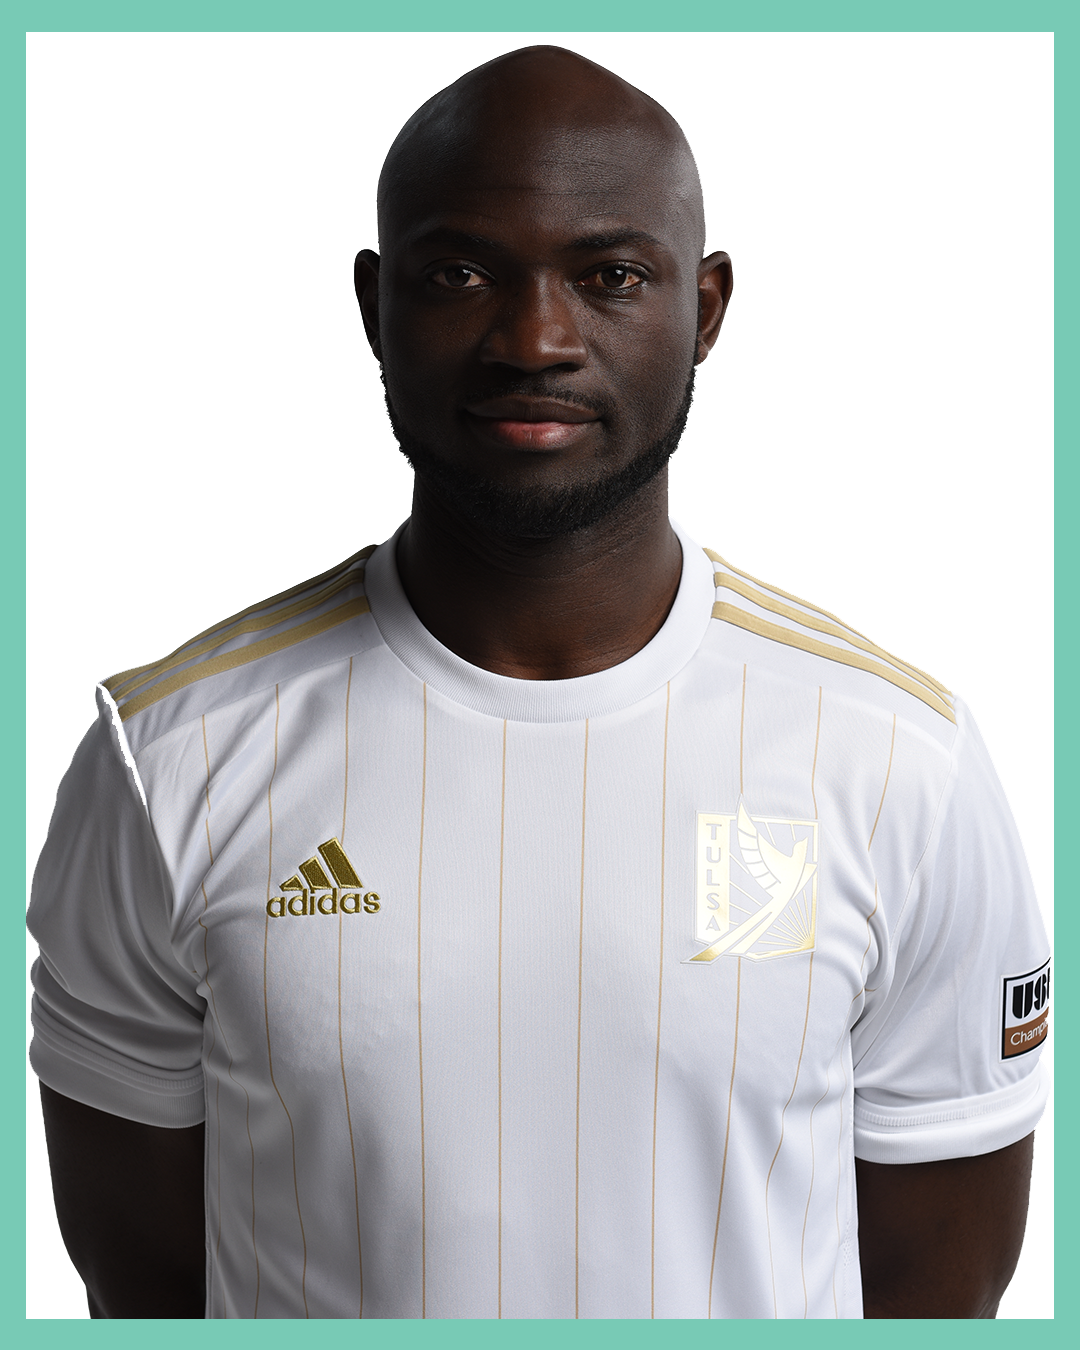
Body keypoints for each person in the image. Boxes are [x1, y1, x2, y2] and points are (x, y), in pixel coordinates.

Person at [28, 46, 1049, 1320]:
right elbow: (147, 1290)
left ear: (707, 310)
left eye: (611, 276)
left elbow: (936, 1296)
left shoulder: (896, 761)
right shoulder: (169, 758)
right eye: (460, 274)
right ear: (374, 307)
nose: (536, 340)